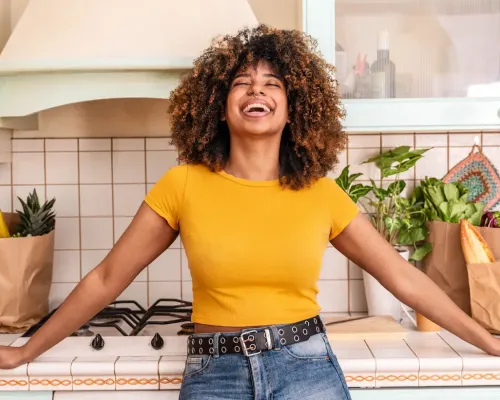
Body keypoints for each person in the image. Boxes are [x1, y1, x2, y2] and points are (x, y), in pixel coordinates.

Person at [0, 24, 499, 400]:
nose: (256, 90)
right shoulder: (183, 185)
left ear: (292, 108)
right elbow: (106, 279)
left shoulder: (322, 194)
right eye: (242, 82)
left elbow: (405, 281)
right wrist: (26, 351)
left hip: (307, 370)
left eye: (272, 84)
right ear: (220, 106)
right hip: (213, 376)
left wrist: (488, 341)